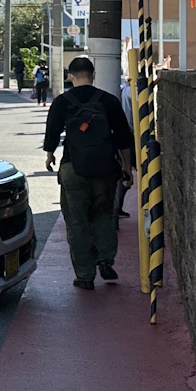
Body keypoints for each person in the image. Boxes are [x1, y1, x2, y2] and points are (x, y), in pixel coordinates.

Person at [43, 56, 136, 290]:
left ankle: (85, 275)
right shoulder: (108, 101)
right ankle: (105, 259)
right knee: (103, 214)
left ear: (70, 76)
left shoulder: (63, 102)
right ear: (93, 74)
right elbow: (124, 137)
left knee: (76, 220)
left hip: (74, 168)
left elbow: (52, 132)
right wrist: (126, 167)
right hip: (105, 169)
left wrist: (50, 155)